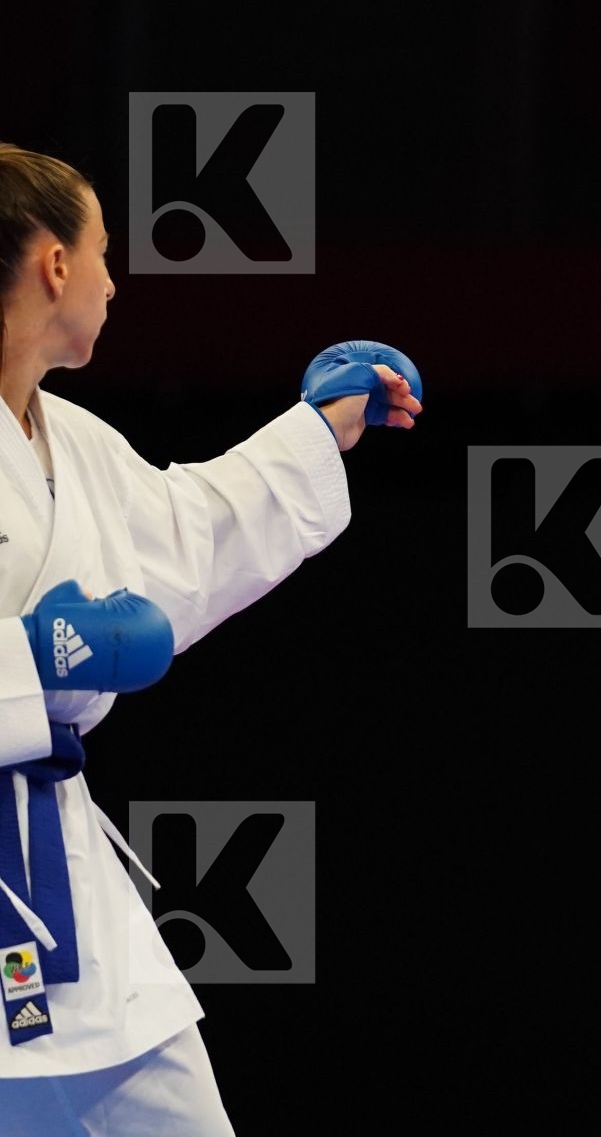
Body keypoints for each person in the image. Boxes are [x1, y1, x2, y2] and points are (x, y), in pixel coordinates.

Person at [0, 142, 421, 1134]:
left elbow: (183, 536)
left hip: (58, 897)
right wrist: (30, 660)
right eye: (104, 252)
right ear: (55, 264)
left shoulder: (74, 442)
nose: (114, 282)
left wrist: (314, 431)